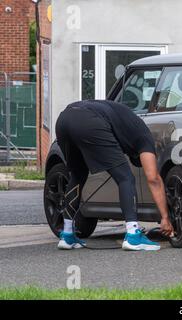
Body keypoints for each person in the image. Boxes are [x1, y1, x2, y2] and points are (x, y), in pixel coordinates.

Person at [55, 100, 174, 251]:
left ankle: (67, 235)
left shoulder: (128, 123)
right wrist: (165, 217)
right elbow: (153, 178)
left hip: (64, 118)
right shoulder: (145, 137)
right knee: (126, 178)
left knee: (77, 175)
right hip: (89, 120)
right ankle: (133, 235)